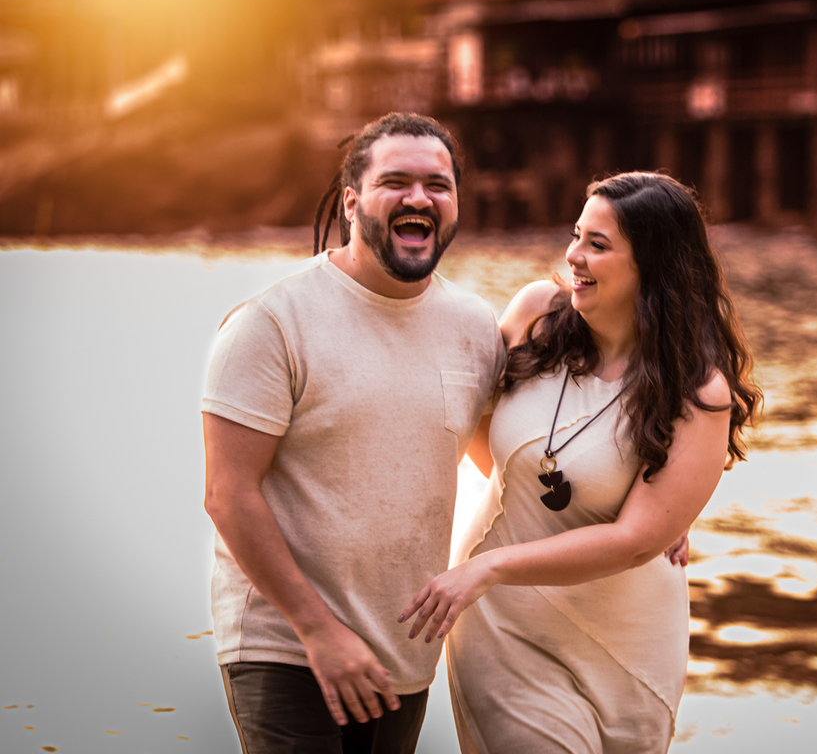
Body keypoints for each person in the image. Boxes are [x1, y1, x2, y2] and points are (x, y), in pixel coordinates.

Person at [398, 172, 761, 753]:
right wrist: (488, 563)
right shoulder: (537, 315)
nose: (574, 256)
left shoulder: (697, 389)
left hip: (630, 640)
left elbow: (637, 540)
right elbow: (469, 420)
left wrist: (670, 508)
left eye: (598, 244)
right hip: (505, 622)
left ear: (654, 264)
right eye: (576, 236)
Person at [202, 112, 505, 754]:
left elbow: (509, 464)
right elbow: (229, 494)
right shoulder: (271, 322)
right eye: (395, 181)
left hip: (404, 650)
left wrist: (638, 513)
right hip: (286, 646)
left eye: (438, 185)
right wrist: (317, 630)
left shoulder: (475, 326)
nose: (419, 198)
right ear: (351, 201)